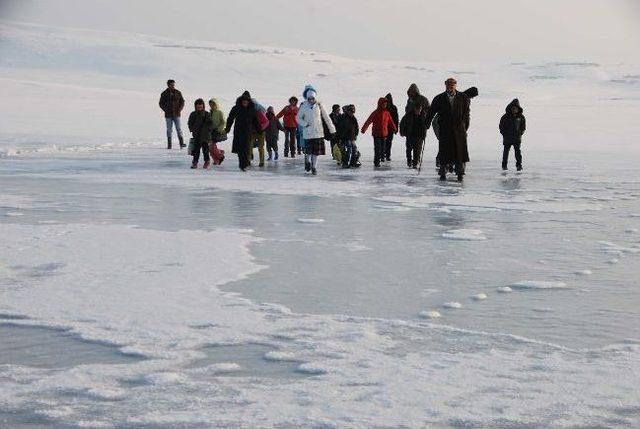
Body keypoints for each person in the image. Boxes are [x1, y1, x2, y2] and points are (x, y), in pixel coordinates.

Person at [425, 78, 471, 181]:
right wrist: (426, 124)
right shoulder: (439, 98)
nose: (450, 87)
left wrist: (465, 126)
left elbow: (466, 113)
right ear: (445, 85)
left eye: (452, 85)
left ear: (455, 85)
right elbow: (431, 112)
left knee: (459, 152)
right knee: (444, 151)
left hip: (459, 129)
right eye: (448, 85)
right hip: (445, 129)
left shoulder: (463, 98)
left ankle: (460, 172)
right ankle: (443, 173)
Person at [433, 87, 478, 170]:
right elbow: (464, 116)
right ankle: (444, 162)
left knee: (448, 143)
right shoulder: (463, 99)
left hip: (446, 124)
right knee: (447, 143)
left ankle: (447, 162)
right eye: (473, 96)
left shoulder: (460, 98)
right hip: (442, 124)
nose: (472, 98)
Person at [296, 85, 336, 175]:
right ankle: (308, 162)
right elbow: (298, 118)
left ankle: (314, 167)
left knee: (316, 152)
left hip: (318, 133)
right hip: (308, 132)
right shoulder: (303, 106)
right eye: (309, 98)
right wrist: (305, 124)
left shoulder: (319, 105)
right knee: (309, 151)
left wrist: (332, 130)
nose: (311, 100)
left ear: (315, 97)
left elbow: (326, 118)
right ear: (307, 98)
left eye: (312, 98)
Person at [226, 92, 261, 171]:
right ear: (241, 100)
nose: (245, 102)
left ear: (249, 101)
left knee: (246, 148)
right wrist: (227, 128)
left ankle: (244, 163)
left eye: (246, 100)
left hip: (247, 132)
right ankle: (242, 164)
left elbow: (256, 121)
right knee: (239, 148)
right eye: (243, 100)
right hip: (238, 131)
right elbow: (230, 118)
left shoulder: (252, 109)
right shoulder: (236, 108)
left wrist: (259, 130)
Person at [361, 97, 398, 167]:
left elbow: (391, 122)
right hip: (376, 134)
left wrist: (394, 129)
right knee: (377, 149)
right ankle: (376, 162)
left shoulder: (387, 113)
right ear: (380, 104)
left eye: (386, 104)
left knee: (383, 149)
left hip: (384, 134)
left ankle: (381, 158)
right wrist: (364, 129)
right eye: (384, 103)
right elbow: (368, 121)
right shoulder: (375, 113)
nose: (385, 105)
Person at [499, 98, 526, 171]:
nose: (514, 110)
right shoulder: (505, 117)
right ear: (510, 108)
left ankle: (519, 165)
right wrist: (504, 134)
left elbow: (523, 127)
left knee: (517, 152)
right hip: (507, 138)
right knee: (506, 152)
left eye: (515, 108)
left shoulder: (521, 117)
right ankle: (504, 166)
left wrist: (520, 133)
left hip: (517, 138)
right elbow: (501, 127)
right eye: (513, 108)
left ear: (518, 109)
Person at [187, 99, 214, 169]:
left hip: (205, 136)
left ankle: (207, 161)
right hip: (197, 135)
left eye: (200, 107)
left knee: (205, 150)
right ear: (195, 106)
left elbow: (211, 124)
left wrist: (208, 129)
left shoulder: (207, 114)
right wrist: (192, 129)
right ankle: (195, 162)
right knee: (196, 151)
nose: (199, 108)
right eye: (198, 107)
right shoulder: (193, 114)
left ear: (203, 106)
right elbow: (190, 123)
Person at [159, 79, 185, 149]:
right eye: (171, 85)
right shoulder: (164, 93)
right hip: (168, 115)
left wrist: (179, 109)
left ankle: (181, 144)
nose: (173, 86)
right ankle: (169, 145)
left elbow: (182, 102)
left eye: (173, 85)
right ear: (168, 85)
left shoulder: (178, 92)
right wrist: (166, 110)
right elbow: (161, 103)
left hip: (177, 114)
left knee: (178, 128)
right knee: (169, 129)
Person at [244, 91, 267, 167]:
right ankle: (249, 160)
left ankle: (261, 162)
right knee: (249, 146)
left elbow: (266, 122)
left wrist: (260, 128)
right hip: (252, 131)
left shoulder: (258, 111)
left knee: (260, 147)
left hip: (260, 132)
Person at [399, 103, 427, 169]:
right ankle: (409, 161)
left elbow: (425, 126)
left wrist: (424, 135)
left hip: (419, 136)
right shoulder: (408, 115)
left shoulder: (423, 116)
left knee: (416, 150)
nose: (418, 111)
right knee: (409, 149)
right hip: (410, 135)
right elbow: (402, 123)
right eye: (417, 110)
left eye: (420, 110)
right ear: (414, 109)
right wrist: (402, 132)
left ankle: (415, 163)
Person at [208, 97, 226, 165]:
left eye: (213, 104)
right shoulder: (209, 113)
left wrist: (219, 129)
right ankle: (217, 158)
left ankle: (220, 156)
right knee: (210, 147)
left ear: (216, 104)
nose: (212, 106)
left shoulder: (219, 112)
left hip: (217, 131)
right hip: (210, 132)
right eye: (210, 105)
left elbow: (223, 122)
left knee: (212, 146)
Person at [384, 93, 399, 162]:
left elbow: (396, 118)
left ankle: (386, 155)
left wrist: (396, 128)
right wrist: (396, 128)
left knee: (387, 142)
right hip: (387, 128)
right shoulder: (392, 107)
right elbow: (396, 119)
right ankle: (387, 155)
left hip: (388, 128)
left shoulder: (387, 107)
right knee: (388, 142)